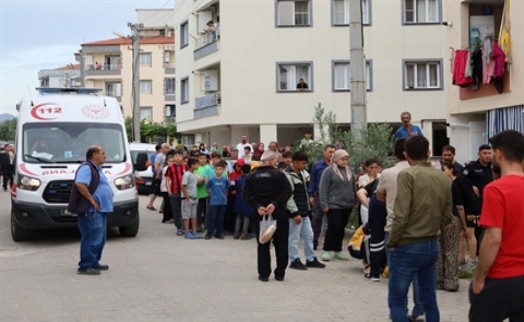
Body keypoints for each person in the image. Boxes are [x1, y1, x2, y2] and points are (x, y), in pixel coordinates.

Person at [387, 136, 452, 322]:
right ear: (429, 153)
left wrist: (393, 241)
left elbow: (401, 215)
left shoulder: (407, 175)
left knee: (397, 300)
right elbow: (447, 216)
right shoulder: (443, 178)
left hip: (407, 244)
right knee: (429, 299)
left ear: (406, 154)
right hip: (431, 243)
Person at [469, 130, 524, 322]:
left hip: (503, 276)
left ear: (498, 154)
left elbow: (493, 239)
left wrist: (479, 277)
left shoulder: (496, 189)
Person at [376, 138, 424, 321]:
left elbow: (380, 196)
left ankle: (399, 310)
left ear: (396, 154)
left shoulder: (387, 173)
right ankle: (419, 310)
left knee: (397, 274)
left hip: (394, 227)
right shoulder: (422, 173)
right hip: (419, 230)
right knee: (418, 274)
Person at [242, 150, 292, 282]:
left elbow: (246, 194)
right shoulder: (279, 175)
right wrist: (274, 204)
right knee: (281, 244)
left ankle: (264, 274)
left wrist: (257, 206)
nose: (277, 163)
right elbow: (288, 191)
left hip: (260, 214)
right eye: (276, 161)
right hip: (279, 213)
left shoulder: (252, 175)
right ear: (271, 161)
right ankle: (280, 273)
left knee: (263, 243)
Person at [69, 146, 114, 275]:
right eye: (103, 153)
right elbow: (80, 184)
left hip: (100, 210)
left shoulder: (97, 169)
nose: (105, 156)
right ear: (94, 155)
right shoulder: (86, 167)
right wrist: (92, 201)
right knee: (91, 238)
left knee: (100, 238)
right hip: (91, 210)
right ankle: (85, 265)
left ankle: (94, 262)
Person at [286, 152, 325, 270]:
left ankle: (311, 258)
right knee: (293, 237)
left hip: (304, 211)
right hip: (295, 213)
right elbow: (288, 197)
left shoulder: (302, 174)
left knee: (309, 235)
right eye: (303, 163)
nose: (305, 166)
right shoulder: (288, 176)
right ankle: (294, 259)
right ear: (295, 162)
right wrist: (295, 213)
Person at [318, 149, 357, 262]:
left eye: (346, 159)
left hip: (347, 204)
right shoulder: (328, 171)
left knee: (341, 227)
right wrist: (324, 203)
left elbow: (353, 187)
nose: (345, 161)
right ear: (336, 159)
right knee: (334, 225)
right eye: (342, 159)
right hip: (333, 203)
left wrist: (355, 200)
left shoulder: (349, 171)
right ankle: (326, 249)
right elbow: (323, 188)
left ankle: (337, 249)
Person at [463, 144, 494, 257]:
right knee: (477, 229)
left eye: (489, 153)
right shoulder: (471, 167)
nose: (487, 156)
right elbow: (461, 181)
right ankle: (477, 253)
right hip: (476, 203)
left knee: (488, 228)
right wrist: (471, 186)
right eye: (484, 153)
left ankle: (485, 251)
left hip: (490, 202)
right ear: (479, 154)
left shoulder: (493, 167)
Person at [439, 161, 462, 292]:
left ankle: (439, 280)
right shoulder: (453, 184)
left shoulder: (434, 185)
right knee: (451, 250)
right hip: (451, 218)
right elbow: (459, 206)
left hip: (437, 218)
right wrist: (463, 223)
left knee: (440, 250)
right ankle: (451, 281)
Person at [308, 144, 336, 250]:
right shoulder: (317, 165)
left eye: (334, 152)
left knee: (331, 222)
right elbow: (313, 180)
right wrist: (311, 195)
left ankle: (330, 244)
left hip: (333, 197)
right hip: (319, 196)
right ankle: (313, 242)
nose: (332, 154)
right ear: (324, 152)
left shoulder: (337, 166)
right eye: (330, 152)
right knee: (316, 220)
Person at [205, 160, 230, 239]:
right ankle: (209, 232)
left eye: (220, 169)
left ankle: (219, 233)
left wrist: (223, 195)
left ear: (223, 170)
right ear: (214, 170)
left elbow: (226, 188)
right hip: (214, 202)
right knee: (212, 217)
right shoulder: (212, 180)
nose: (218, 171)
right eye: (217, 169)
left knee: (220, 218)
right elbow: (207, 188)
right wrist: (211, 194)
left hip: (222, 202)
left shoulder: (225, 180)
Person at [166, 150, 187, 234]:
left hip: (184, 191)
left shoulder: (185, 166)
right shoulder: (170, 167)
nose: (178, 158)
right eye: (176, 156)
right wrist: (169, 190)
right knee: (176, 210)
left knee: (184, 210)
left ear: (182, 157)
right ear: (173, 157)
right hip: (174, 191)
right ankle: (178, 227)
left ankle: (183, 227)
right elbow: (167, 179)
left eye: (180, 156)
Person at [232, 164, 254, 240]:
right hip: (248, 199)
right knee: (246, 217)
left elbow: (235, 190)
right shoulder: (252, 180)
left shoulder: (237, 180)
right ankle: (244, 234)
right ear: (250, 171)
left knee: (238, 217)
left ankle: (236, 233)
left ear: (241, 171)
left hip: (239, 199)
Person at [180, 158, 200, 239]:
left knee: (194, 216)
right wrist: (187, 197)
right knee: (186, 216)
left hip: (194, 198)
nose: (198, 166)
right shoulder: (186, 174)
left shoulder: (195, 175)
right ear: (192, 165)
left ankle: (194, 231)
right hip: (187, 199)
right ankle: (187, 232)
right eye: (196, 164)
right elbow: (183, 186)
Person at [147, 143, 169, 211]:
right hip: (159, 175)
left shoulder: (166, 155)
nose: (168, 149)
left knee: (161, 191)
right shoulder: (160, 155)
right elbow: (156, 165)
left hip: (164, 175)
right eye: (166, 148)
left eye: (168, 148)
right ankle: (150, 204)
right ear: (162, 149)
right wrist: (158, 174)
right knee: (157, 190)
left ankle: (162, 207)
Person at [159, 153, 174, 224]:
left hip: (171, 188)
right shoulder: (166, 168)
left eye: (172, 161)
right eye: (170, 161)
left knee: (170, 204)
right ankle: (165, 218)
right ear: (167, 161)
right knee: (167, 204)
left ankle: (171, 217)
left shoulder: (172, 168)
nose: (171, 163)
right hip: (165, 188)